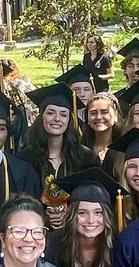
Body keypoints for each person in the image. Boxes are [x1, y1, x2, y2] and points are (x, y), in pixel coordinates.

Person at [19, 83, 97, 229]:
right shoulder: (26, 157)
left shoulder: (85, 157)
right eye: (50, 113)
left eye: (63, 114)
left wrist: (68, 214)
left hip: (76, 230)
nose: (57, 119)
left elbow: (90, 196)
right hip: (36, 229)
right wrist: (43, 215)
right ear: (41, 117)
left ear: (69, 120)